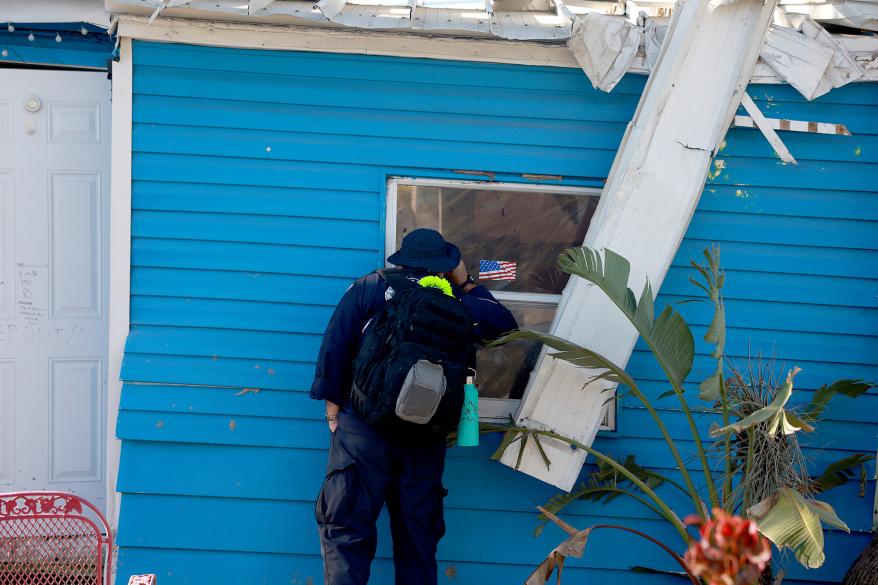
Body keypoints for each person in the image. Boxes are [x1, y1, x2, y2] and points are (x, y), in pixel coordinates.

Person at [311, 228, 517, 585]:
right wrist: (467, 283)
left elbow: (336, 346)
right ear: (445, 264)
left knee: (346, 532)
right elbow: (504, 329)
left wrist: (334, 411)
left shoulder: (371, 286)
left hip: (363, 431)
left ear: (403, 258)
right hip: (425, 434)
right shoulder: (456, 300)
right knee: (417, 541)